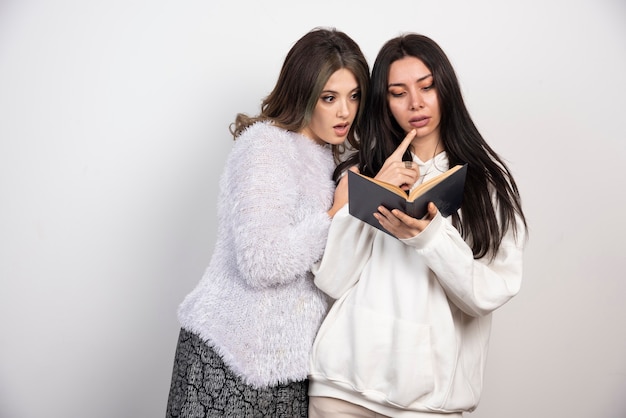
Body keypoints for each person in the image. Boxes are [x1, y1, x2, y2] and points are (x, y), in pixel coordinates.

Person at [307, 33, 528, 417]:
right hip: (342, 392)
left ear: (446, 89)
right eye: (398, 92)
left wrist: (431, 238)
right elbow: (332, 280)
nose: (416, 103)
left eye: (427, 86)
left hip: (429, 406)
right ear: (384, 102)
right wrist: (377, 188)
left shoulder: (484, 185)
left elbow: (490, 292)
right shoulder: (360, 173)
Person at [166, 27, 370, 418]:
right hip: (229, 360)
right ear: (302, 93)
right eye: (330, 97)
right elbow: (263, 261)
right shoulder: (265, 145)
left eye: (354, 95)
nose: (345, 111)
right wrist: (334, 214)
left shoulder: (329, 158)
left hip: (289, 373)